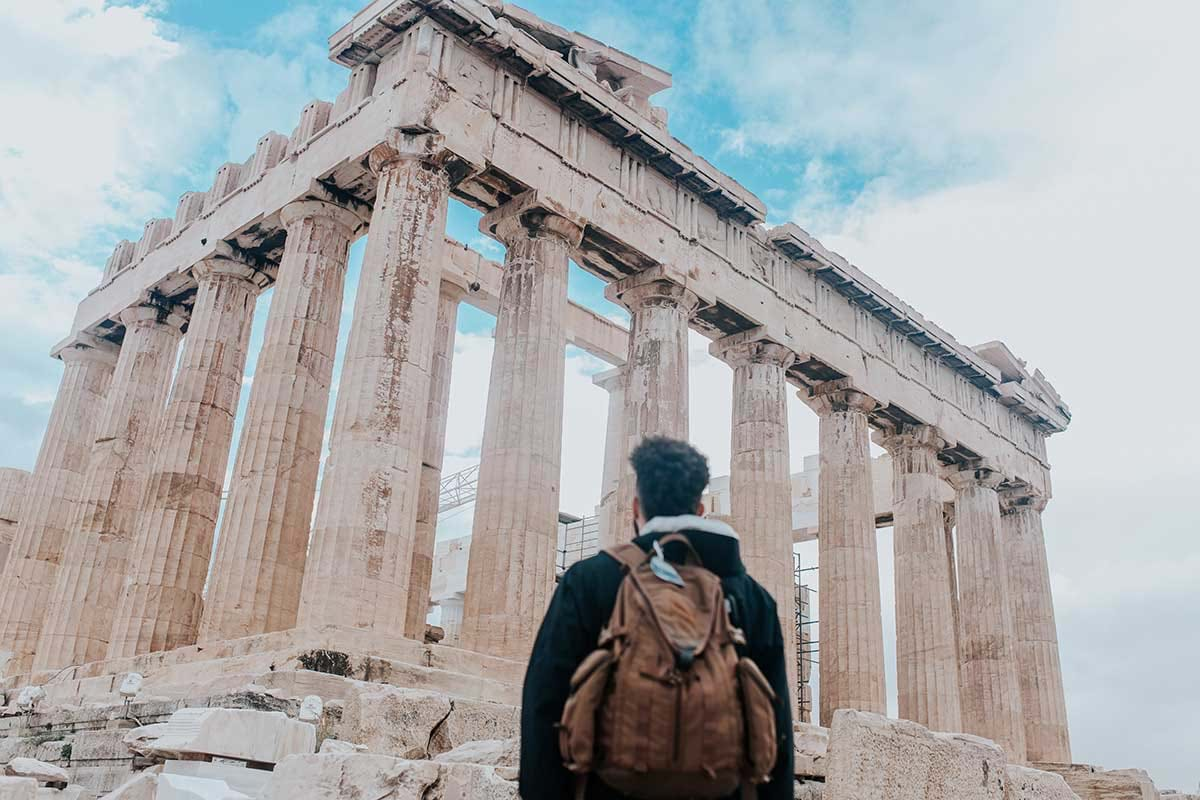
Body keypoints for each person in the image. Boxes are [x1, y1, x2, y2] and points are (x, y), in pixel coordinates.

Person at [520, 437, 795, 799]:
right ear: (700, 509)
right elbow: (776, 726)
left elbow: (545, 703)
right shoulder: (753, 598)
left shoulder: (591, 580)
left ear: (636, 508)